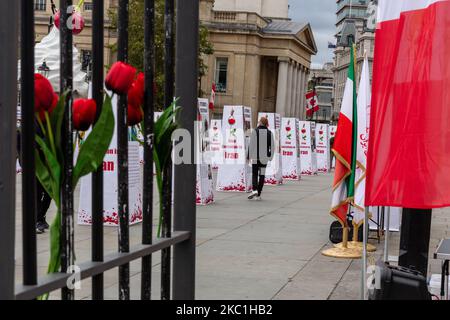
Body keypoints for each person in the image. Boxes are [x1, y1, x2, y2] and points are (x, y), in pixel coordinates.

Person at [248, 117, 274, 200]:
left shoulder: (255, 131)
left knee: (254, 174)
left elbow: (251, 145)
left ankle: (254, 189)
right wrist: (270, 156)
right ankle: (258, 194)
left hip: (255, 156)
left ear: (260, 122)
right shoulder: (269, 133)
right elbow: (272, 146)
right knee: (262, 174)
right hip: (264, 157)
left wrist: (248, 155)